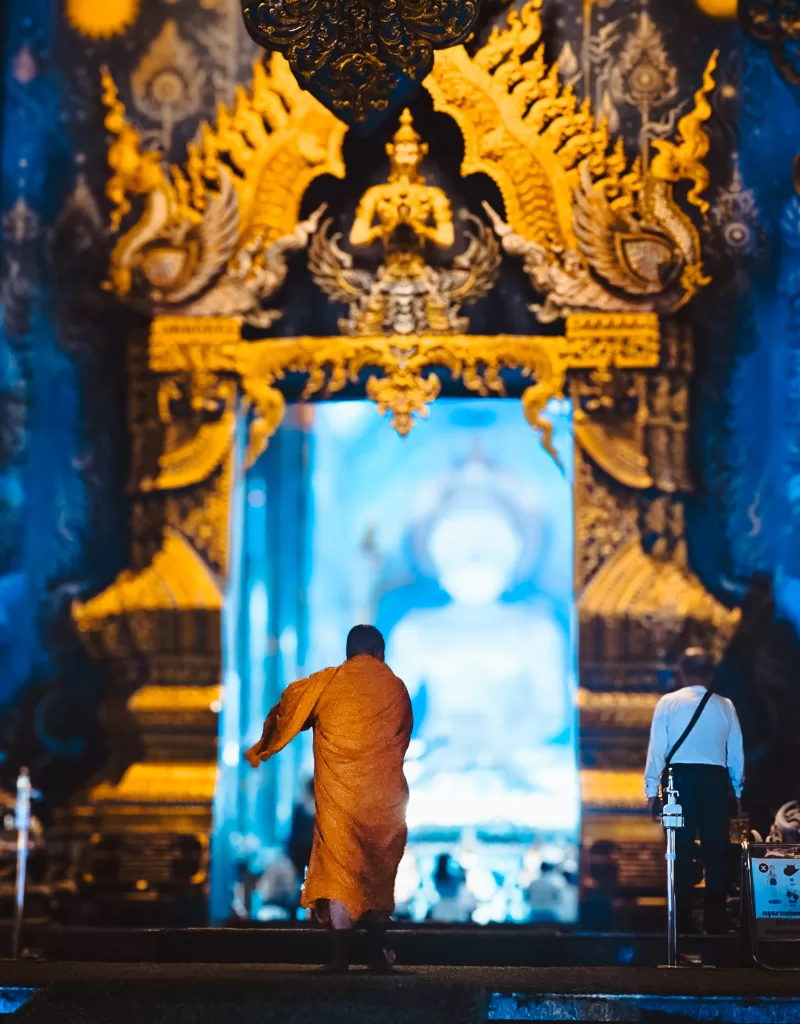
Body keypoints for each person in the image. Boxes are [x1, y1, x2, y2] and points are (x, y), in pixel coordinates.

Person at [246, 624, 412, 972]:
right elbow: (401, 738)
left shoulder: (327, 684)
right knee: (378, 873)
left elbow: (291, 705)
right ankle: (376, 952)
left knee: (339, 873)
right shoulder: (396, 688)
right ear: (380, 653)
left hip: (341, 804)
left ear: (349, 652)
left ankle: (338, 956)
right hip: (384, 804)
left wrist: (265, 747)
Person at [644, 647, 745, 934]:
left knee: (679, 849)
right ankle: (714, 920)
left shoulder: (668, 703)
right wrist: (737, 791)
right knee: (716, 850)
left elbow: (657, 750)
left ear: (682, 671)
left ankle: (682, 920)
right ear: (710, 673)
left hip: (679, 782)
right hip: (715, 781)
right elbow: (735, 754)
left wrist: (652, 789)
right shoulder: (726, 705)